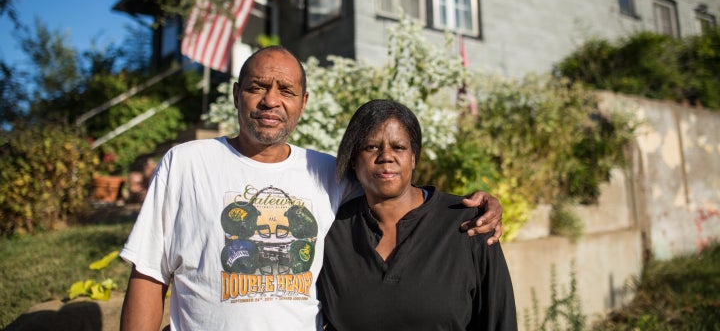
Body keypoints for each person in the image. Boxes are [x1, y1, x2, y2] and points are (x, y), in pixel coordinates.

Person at [119, 45, 504, 331]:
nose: (271, 100)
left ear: (302, 103)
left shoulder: (326, 172)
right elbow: (150, 274)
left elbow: (394, 187)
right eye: (258, 87)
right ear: (237, 94)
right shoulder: (187, 162)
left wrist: (475, 207)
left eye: (285, 91)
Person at [318, 99, 517, 330]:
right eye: (371, 147)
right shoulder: (330, 230)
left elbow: (499, 320)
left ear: (413, 157)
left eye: (399, 147)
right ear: (353, 159)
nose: (386, 156)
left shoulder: (470, 224)